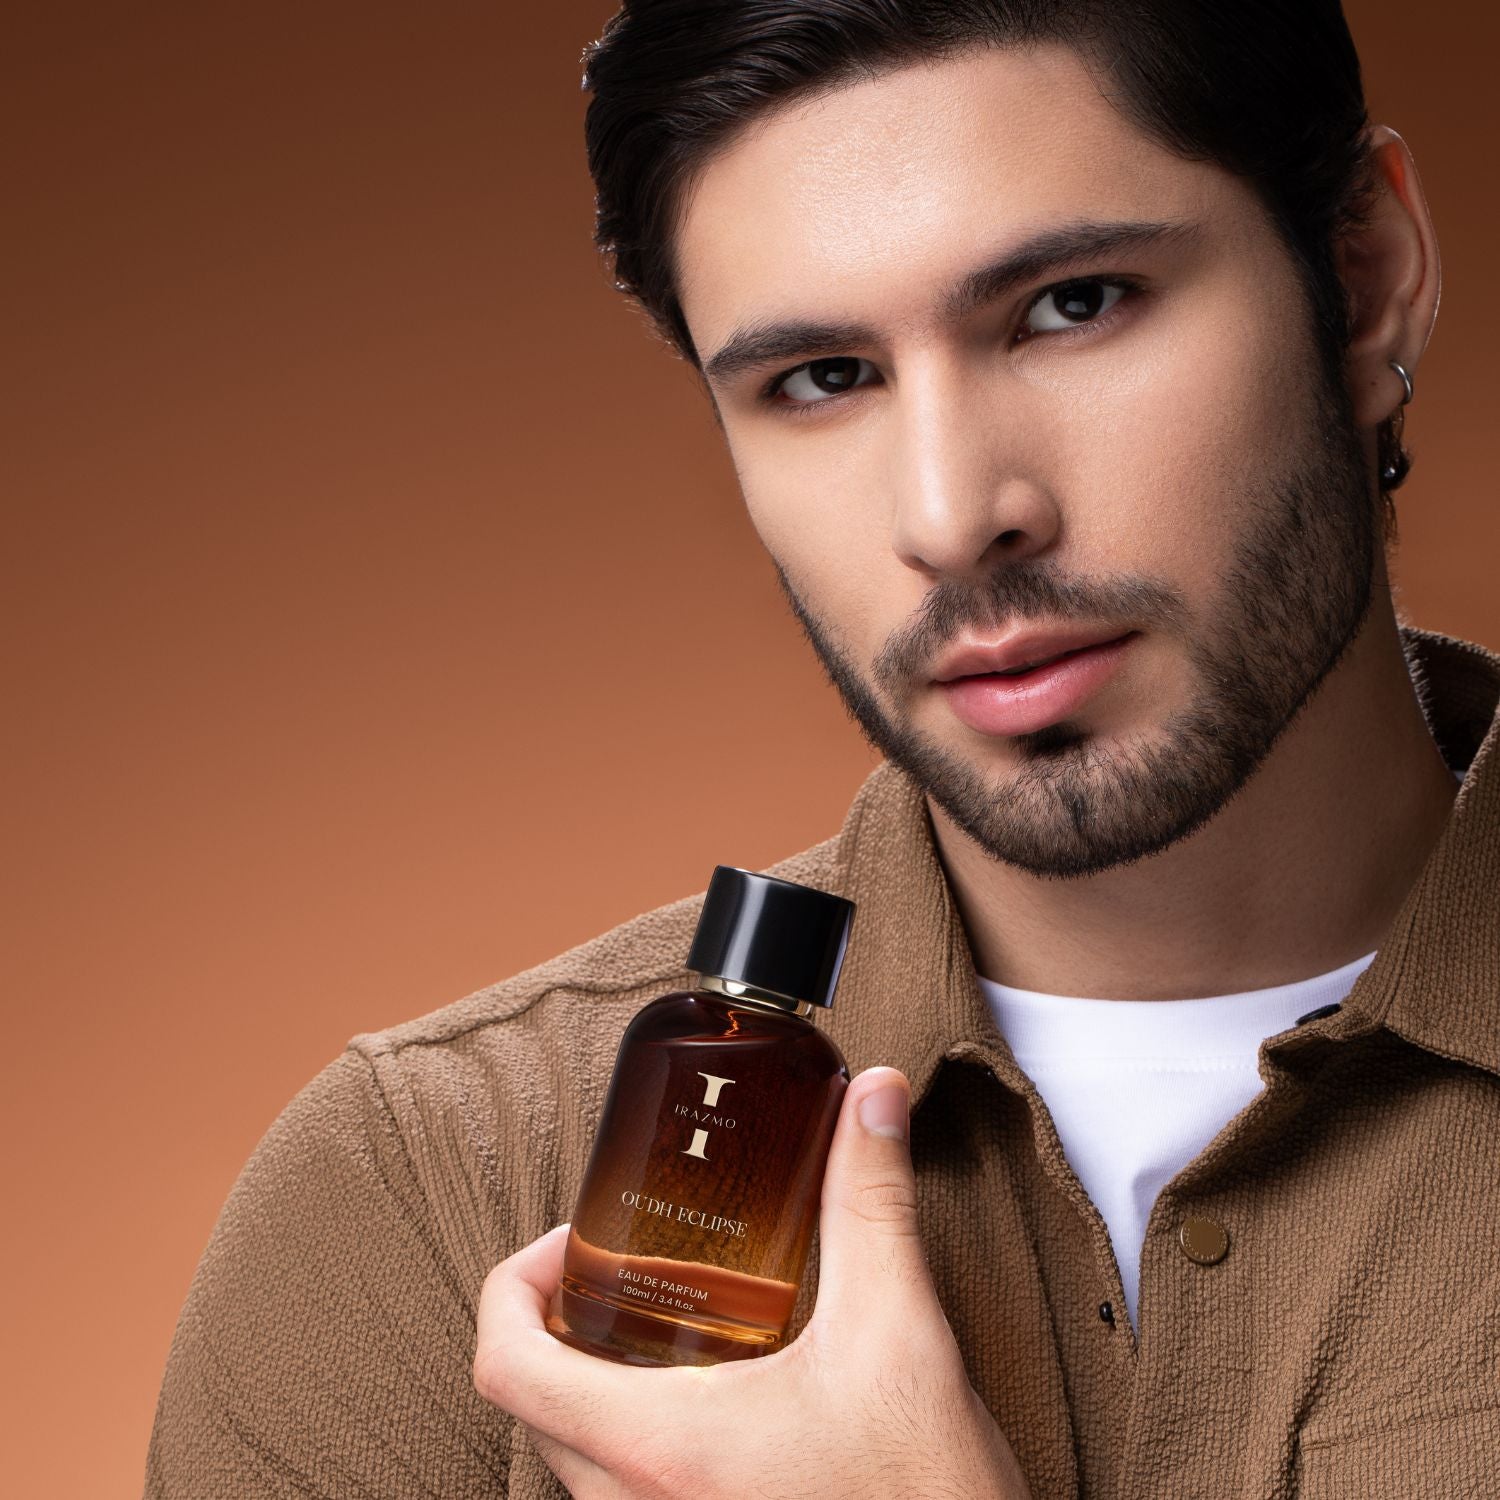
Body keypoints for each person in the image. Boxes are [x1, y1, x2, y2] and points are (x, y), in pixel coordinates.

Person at [145, 3, 1500, 1496]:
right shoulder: (432, 1193)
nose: (949, 512)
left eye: (1074, 303)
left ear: (1367, 279)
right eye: (823, 380)